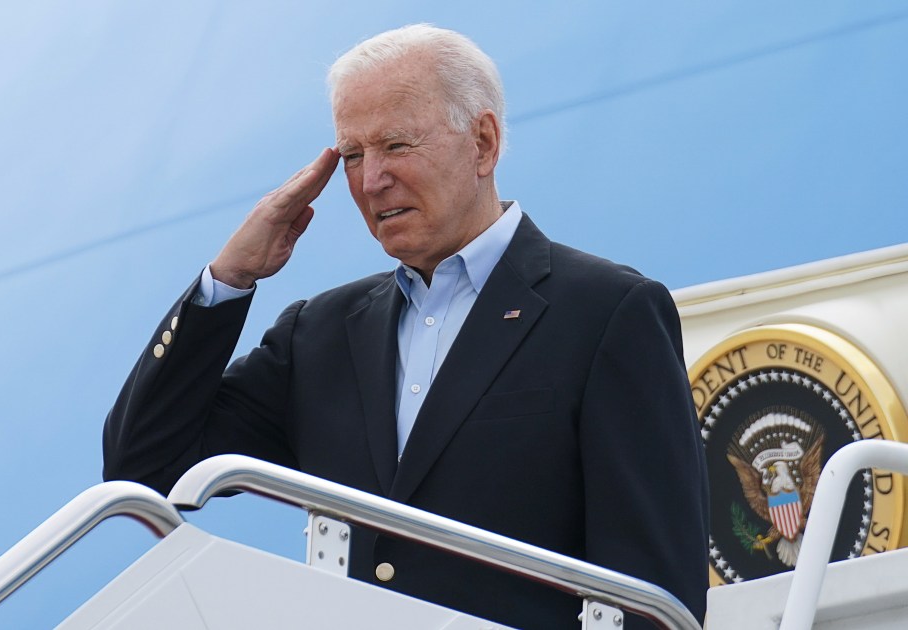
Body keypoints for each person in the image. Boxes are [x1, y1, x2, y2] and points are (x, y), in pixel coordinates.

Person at [103, 24, 708, 629]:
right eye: (353, 156)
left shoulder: (606, 312)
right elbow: (146, 468)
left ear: (483, 142)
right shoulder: (322, 334)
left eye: (395, 145)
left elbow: (652, 592)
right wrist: (230, 278)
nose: (371, 181)